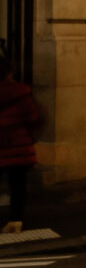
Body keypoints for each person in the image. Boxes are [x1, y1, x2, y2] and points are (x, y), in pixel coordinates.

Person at [0, 64, 44, 234]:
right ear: (9, 72)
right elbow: (33, 117)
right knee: (17, 185)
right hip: (18, 145)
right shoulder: (20, 92)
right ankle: (15, 220)